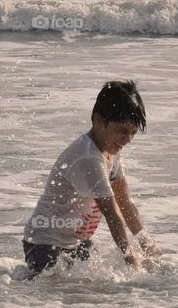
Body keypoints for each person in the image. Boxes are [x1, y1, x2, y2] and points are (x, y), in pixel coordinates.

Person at [22, 80, 162, 276]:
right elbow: (112, 213)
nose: (128, 139)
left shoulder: (110, 148)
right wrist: (130, 258)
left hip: (77, 242)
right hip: (44, 242)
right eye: (122, 130)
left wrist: (145, 242)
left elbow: (125, 202)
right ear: (98, 121)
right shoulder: (88, 157)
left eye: (133, 132)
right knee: (54, 290)